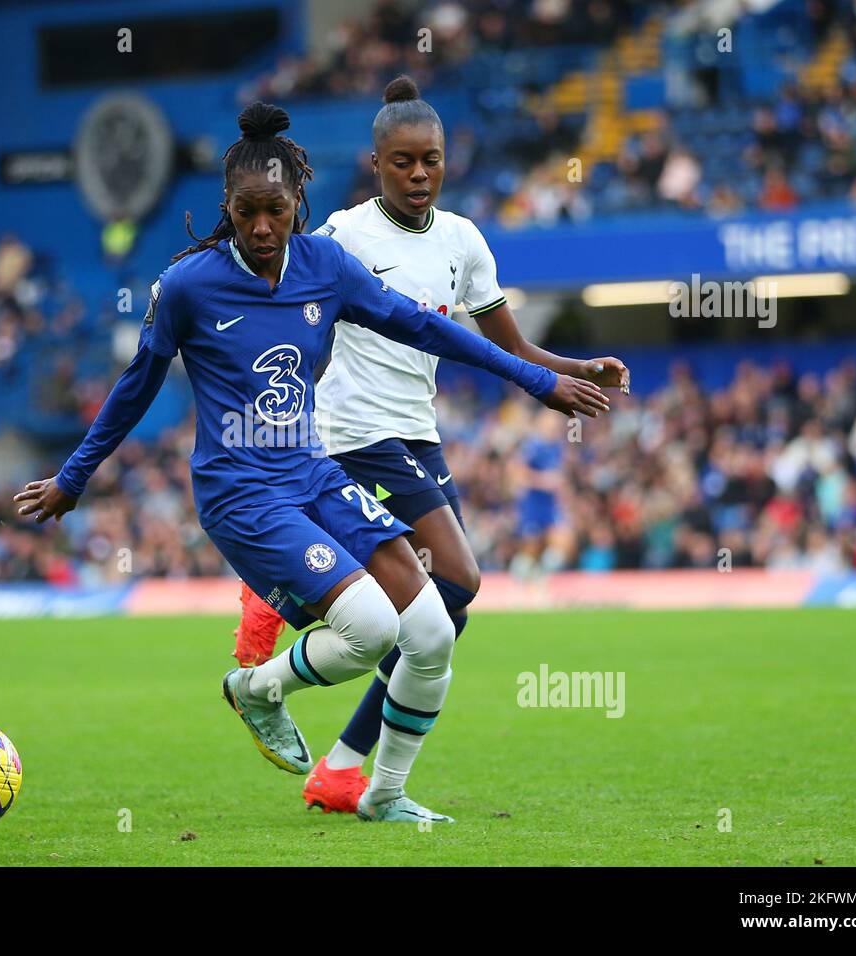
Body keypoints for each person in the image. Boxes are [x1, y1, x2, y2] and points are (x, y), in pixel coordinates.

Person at [14, 102, 609, 824]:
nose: (262, 229)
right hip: (240, 493)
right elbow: (136, 384)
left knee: (431, 631)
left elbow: (426, 326)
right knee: (373, 629)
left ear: (299, 204)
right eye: (245, 212)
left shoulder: (325, 265)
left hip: (314, 472)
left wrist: (536, 378)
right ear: (226, 209)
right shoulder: (188, 286)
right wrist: (73, 479)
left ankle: (381, 794)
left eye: (275, 211)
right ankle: (258, 688)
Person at [230, 76, 631, 814]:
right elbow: (278, 293)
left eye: (433, 161)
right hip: (351, 434)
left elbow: (504, 343)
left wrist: (575, 368)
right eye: (404, 162)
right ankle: (273, 668)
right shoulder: (344, 235)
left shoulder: (463, 241)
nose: (420, 175)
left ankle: (344, 768)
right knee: (460, 578)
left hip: (418, 433)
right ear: (376, 163)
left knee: (444, 618)